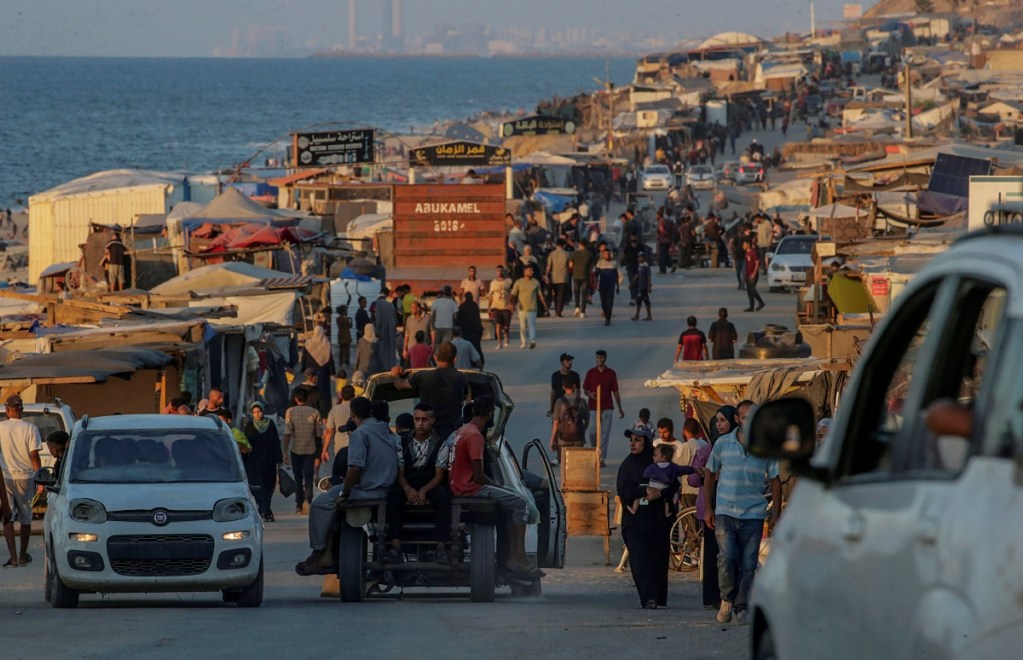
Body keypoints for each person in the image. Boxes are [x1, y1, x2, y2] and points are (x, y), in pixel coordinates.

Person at [296, 396, 398, 576]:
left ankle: (318, 552)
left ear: (352, 413)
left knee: (320, 505)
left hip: (367, 489)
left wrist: (345, 491)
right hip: (386, 487)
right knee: (332, 505)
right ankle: (328, 554)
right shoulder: (384, 429)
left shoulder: (361, 433)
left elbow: (356, 468)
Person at [704, 400, 782, 625]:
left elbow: (775, 480)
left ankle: (741, 605)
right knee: (726, 558)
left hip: (753, 514)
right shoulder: (722, 444)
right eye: (745, 417)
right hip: (726, 512)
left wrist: (776, 511)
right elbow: (710, 473)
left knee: (749, 564)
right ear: (737, 420)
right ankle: (727, 598)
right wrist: (708, 507)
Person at [449, 395, 543, 579]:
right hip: (471, 488)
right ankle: (518, 557)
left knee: (512, 502)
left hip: (458, 486)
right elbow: (479, 476)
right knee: (520, 502)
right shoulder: (475, 436)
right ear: (490, 413)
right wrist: (502, 487)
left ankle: (516, 555)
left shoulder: (462, 431)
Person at [383, 403, 452, 563]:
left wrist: (423, 491)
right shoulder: (402, 442)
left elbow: (439, 474)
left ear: (432, 420)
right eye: (417, 419)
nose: (421, 423)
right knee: (393, 497)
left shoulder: (441, 443)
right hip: (408, 480)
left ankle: (441, 547)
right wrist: (408, 489)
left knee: (443, 497)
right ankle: (395, 546)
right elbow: (399, 472)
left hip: (430, 481)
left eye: (425, 420)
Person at [616, 426, 675, 609]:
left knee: (658, 558)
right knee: (640, 559)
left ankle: (658, 597)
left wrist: (659, 493)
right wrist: (643, 490)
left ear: (647, 442)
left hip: (657, 519)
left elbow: (673, 484)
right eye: (631, 440)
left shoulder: (659, 462)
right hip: (635, 521)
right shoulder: (627, 466)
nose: (633, 444)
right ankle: (648, 598)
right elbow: (623, 490)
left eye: (638, 440)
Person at [390, 341, 469, 442]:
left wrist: (396, 374)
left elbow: (399, 385)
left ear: (435, 357)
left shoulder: (423, 376)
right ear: (454, 359)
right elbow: (465, 397)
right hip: (452, 436)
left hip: (429, 436)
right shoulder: (462, 378)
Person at [0, 395, 42, 566]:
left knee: (7, 517)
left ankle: (14, 557)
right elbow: (34, 455)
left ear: (7, 409)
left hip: (5, 477)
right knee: (26, 518)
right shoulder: (31, 428)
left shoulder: (0, 427)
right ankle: (23, 554)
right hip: (26, 477)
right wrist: (41, 480)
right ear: (22, 410)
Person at [284, 388, 323, 515]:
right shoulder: (315, 412)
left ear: (296, 399)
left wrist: (284, 451)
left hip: (295, 450)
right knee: (309, 476)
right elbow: (318, 434)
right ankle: (308, 502)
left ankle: (298, 504)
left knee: (298, 478)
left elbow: (287, 432)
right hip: (310, 449)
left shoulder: (290, 412)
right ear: (306, 399)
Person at [628, 443, 694, 517]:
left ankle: (635, 507)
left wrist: (654, 476)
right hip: (664, 491)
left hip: (653, 490)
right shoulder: (673, 467)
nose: (653, 457)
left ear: (663, 457)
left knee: (644, 500)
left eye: (655, 455)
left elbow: (645, 474)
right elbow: (684, 469)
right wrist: (694, 470)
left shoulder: (653, 467)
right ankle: (667, 513)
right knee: (666, 501)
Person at [583, 350, 624, 467]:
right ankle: (595, 452)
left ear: (605, 359)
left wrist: (620, 408)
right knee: (592, 432)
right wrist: (589, 395)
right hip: (593, 407)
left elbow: (615, 391)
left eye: (601, 358)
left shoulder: (611, 373)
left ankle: (601, 458)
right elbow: (585, 389)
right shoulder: (591, 373)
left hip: (607, 407)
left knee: (605, 434)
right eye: (597, 358)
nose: (599, 360)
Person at [244, 401, 282, 522]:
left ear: (263, 411)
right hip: (254, 461)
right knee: (258, 487)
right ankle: (264, 510)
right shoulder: (250, 426)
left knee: (268, 486)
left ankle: (266, 509)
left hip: (269, 461)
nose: (257, 414)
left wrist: (279, 459)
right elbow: (245, 444)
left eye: (259, 411)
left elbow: (276, 442)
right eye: (254, 412)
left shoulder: (270, 424)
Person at [548, 376, 589, 464]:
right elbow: (587, 420)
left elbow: (556, 422)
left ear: (563, 387)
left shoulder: (559, 402)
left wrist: (552, 440)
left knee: (565, 465)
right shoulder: (582, 402)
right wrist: (580, 429)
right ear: (574, 386)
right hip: (578, 439)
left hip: (563, 439)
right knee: (576, 464)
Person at [509, 263, 546, 349]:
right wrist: (511, 304)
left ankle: (532, 341)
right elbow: (513, 294)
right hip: (522, 308)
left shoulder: (536, 282)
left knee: (531, 325)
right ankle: (523, 342)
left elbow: (540, 295)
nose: (532, 272)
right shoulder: (518, 282)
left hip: (532, 308)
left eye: (532, 271)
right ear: (525, 272)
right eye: (530, 271)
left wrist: (545, 305)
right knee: (522, 326)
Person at [455, 292, 485, 368]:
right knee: (476, 346)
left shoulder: (462, 307)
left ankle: (470, 361)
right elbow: (477, 319)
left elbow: (458, 319)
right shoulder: (475, 306)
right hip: (474, 330)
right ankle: (478, 361)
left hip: (465, 330)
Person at [547, 353, 581, 418]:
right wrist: (552, 408)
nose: (570, 362)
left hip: (571, 406)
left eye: (571, 361)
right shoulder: (555, 376)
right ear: (562, 362)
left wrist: (577, 404)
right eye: (567, 361)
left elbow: (578, 391)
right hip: (558, 406)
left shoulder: (575, 375)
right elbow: (553, 393)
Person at [593, 245, 621, 326]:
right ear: (603, 255)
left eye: (608, 254)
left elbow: (616, 276)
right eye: (605, 254)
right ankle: (606, 314)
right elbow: (596, 275)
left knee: (610, 302)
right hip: (602, 286)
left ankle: (608, 318)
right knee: (603, 302)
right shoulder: (599, 263)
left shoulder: (614, 263)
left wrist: (618, 287)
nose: (607, 255)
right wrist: (595, 284)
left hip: (611, 286)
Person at [373, 288, 400, 371]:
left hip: (382, 333)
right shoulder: (391, 305)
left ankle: (384, 369)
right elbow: (395, 320)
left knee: (383, 351)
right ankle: (391, 368)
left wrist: (377, 332)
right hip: (391, 332)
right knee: (391, 351)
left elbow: (378, 319)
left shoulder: (379, 304)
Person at [488, 264, 513, 350]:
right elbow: (491, 296)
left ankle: (506, 337)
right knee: (498, 325)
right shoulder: (493, 283)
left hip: (506, 306)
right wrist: (489, 307)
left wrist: (512, 304)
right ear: (496, 272)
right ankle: (499, 343)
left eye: (501, 270)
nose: (500, 272)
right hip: (496, 306)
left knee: (506, 326)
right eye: (498, 271)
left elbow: (511, 294)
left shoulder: (508, 281)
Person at [545, 238, 571, 317]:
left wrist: (546, 275)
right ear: (563, 245)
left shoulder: (552, 254)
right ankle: (558, 312)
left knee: (554, 294)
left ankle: (552, 309)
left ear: (557, 245)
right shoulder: (566, 254)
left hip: (553, 277)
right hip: (563, 277)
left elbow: (548, 266)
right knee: (561, 295)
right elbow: (570, 265)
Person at [570, 240, 595, 318]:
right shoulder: (590, 254)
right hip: (585, 276)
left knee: (576, 292)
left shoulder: (574, 253)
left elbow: (570, 265)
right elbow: (592, 266)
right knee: (584, 294)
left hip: (576, 275)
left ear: (580, 245)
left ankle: (577, 307)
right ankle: (583, 312)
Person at [742, 238, 766, 312]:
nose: (743, 246)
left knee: (752, 289)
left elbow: (757, 262)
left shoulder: (753, 252)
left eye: (744, 244)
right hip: (748, 274)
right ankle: (751, 306)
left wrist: (754, 272)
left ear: (748, 244)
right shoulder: (747, 253)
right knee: (749, 291)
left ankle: (761, 302)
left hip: (752, 274)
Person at [631, 251, 652, 321]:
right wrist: (632, 283)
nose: (639, 258)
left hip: (644, 286)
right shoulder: (640, 265)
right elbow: (637, 275)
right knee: (643, 300)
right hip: (640, 285)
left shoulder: (646, 265)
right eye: (638, 257)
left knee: (642, 300)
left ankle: (642, 316)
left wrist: (649, 286)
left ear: (644, 258)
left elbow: (648, 276)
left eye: (640, 257)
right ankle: (641, 315)